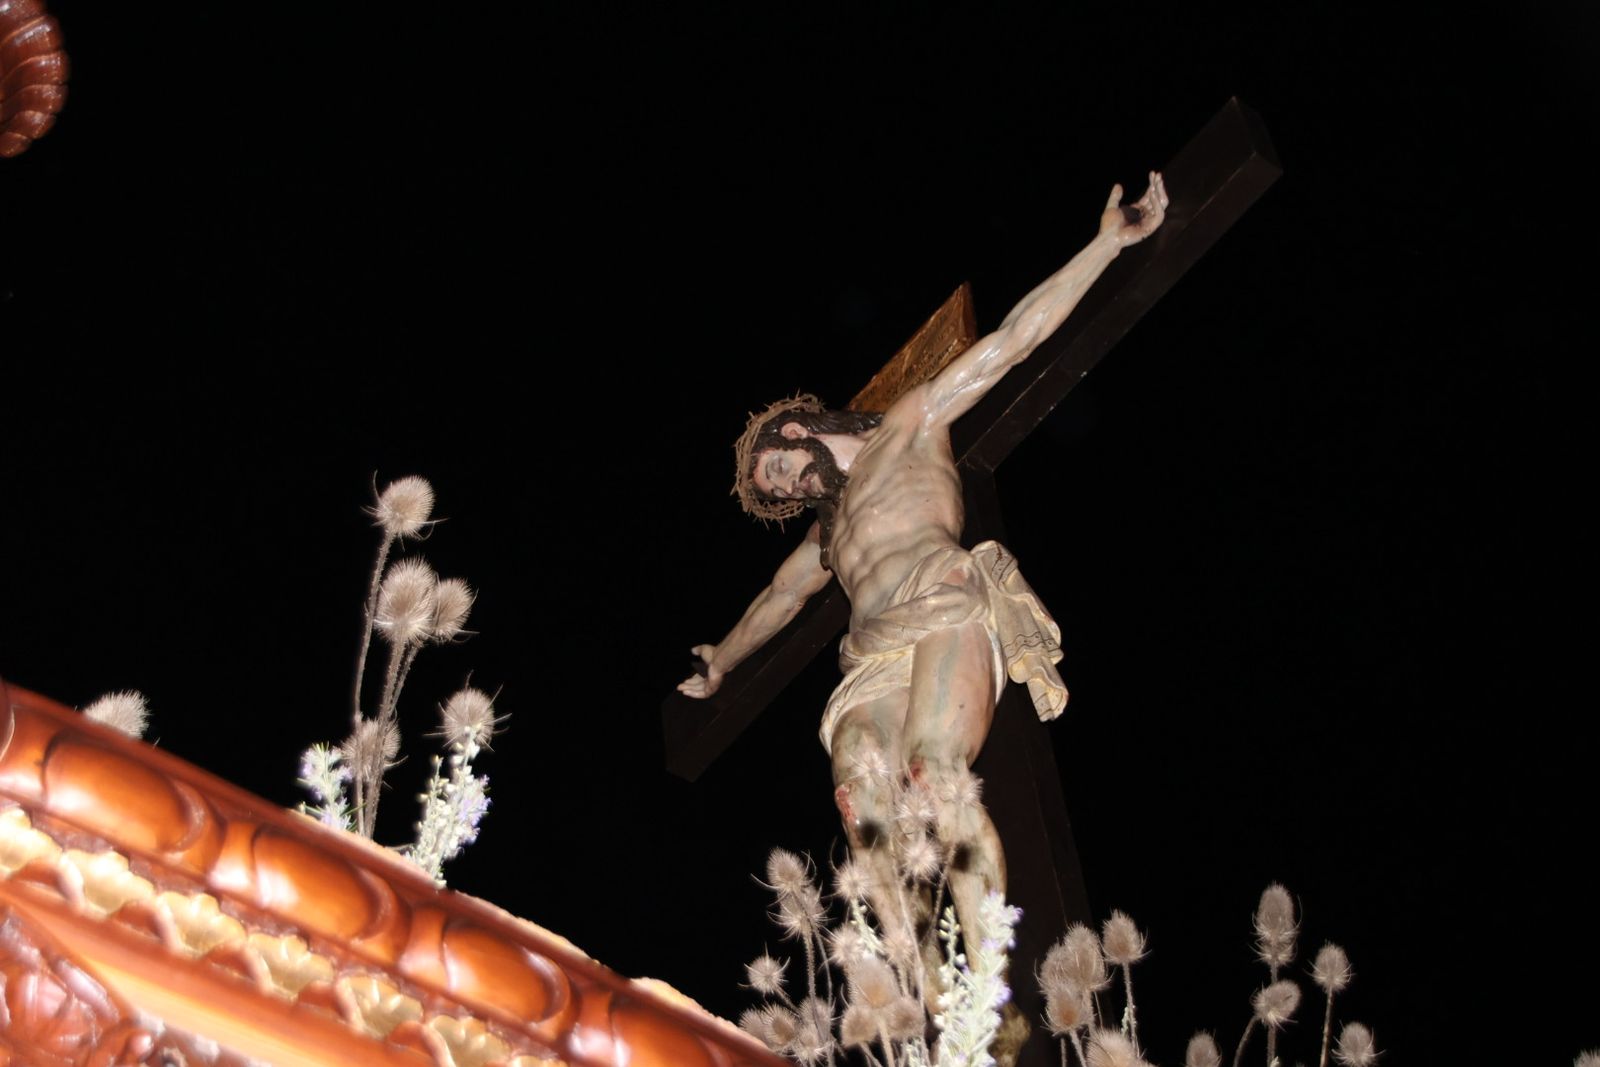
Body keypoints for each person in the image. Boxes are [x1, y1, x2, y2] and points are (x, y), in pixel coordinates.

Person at [679, 174, 1168, 958]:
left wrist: (1109, 242)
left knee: (933, 772)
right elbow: (777, 598)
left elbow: (1013, 340)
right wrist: (723, 661)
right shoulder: (828, 537)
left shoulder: (908, 425)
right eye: (780, 489)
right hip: (872, 650)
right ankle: (918, 980)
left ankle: (986, 963)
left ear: (800, 427)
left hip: (939, 600)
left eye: (782, 464)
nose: (793, 484)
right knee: (859, 798)